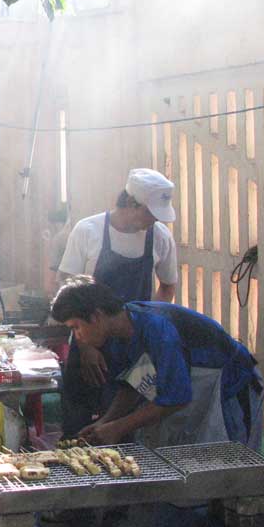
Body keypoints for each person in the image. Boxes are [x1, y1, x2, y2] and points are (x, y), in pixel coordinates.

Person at [50, 278, 263, 527]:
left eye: (76, 327)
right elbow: (135, 383)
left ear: (96, 316)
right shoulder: (122, 332)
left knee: (230, 479)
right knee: (180, 481)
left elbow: (175, 398)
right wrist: (105, 422)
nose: (77, 336)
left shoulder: (157, 328)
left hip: (230, 389)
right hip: (194, 395)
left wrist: (118, 427)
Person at [57, 168, 179, 437]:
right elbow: (68, 287)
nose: (155, 220)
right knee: (77, 426)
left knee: (122, 431)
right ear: (132, 203)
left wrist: (149, 326)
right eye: (150, 213)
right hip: (86, 343)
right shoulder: (88, 230)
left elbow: (168, 286)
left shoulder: (160, 237)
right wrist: (86, 346)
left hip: (133, 349)